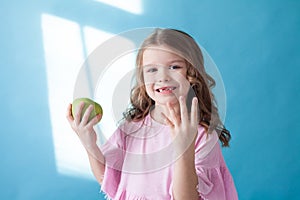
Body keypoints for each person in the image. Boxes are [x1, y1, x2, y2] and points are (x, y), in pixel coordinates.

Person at [66, 28, 238, 200]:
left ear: (192, 73)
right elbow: (110, 182)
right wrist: (89, 143)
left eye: (174, 66)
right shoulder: (131, 128)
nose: (162, 77)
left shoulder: (202, 136)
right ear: (143, 77)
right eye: (152, 70)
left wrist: (183, 149)